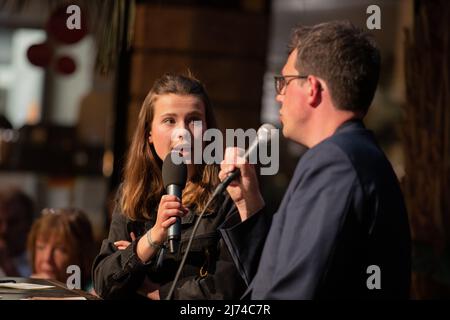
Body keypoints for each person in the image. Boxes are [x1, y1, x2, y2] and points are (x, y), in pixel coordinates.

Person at [218, 21, 411, 299]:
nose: (279, 95)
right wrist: (249, 202)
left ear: (312, 87)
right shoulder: (351, 155)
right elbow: (284, 274)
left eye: (284, 82)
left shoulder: (336, 162)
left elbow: (294, 292)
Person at [92, 73, 246, 300]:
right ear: (150, 134)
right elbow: (105, 282)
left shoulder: (227, 193)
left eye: (193, 120)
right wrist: (151, 239)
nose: (181, 133)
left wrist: (153, 292)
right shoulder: (131, 192)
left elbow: (225, 288)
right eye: (169, 120)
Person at [27, 207, 96, 293]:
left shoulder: (97, 292)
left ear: (82, 256)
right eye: (41, 247)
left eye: (61, 249)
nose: (47, 258)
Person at [0, 189, 34, 277]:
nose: (4, 230)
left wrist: (7, 264)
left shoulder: (41, 261)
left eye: (13, 222)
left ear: (29, 223)